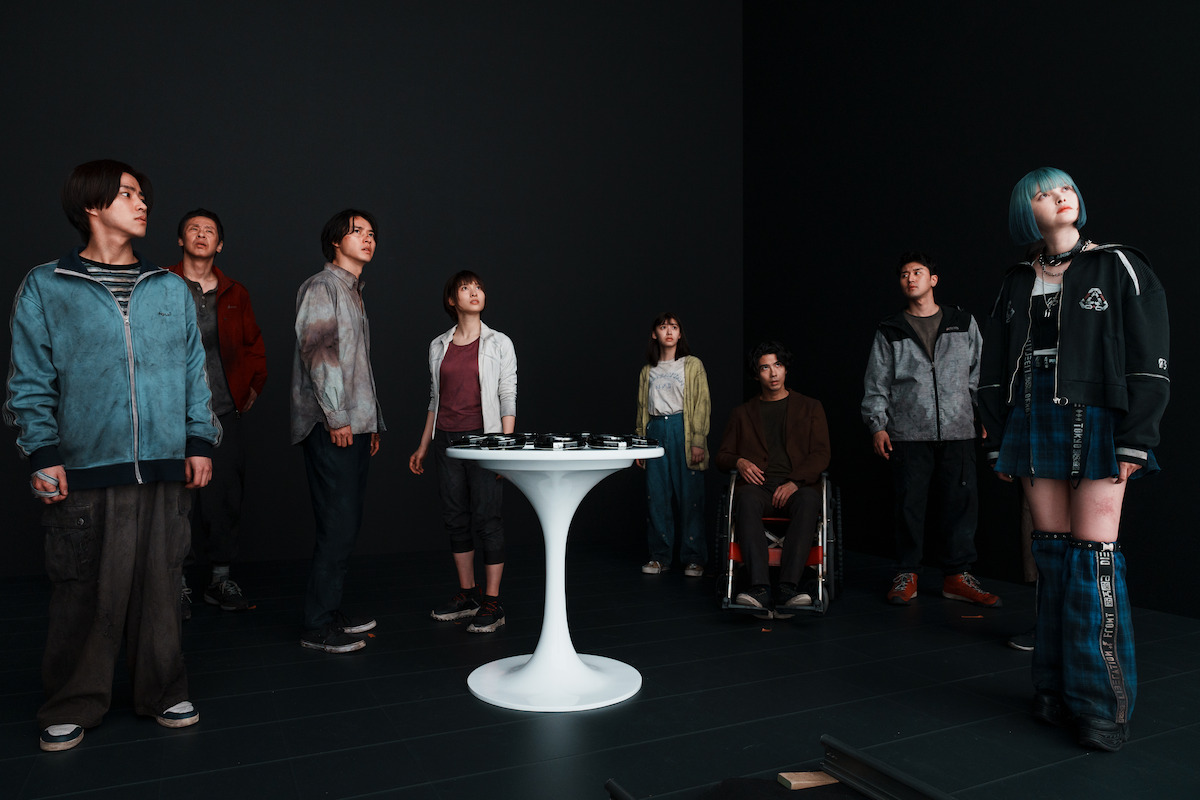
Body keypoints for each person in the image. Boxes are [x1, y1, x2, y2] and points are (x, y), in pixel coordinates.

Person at [5, 159, 220, 751]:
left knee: (162, 585)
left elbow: (193, 374)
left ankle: (162, 690)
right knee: (81, 590)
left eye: (143, 194)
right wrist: (42, 454)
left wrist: (199, 440)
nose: (143, 203)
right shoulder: (47, 285)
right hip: (82, 466)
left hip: (163, 464)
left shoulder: (171, 288)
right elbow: (29, 381)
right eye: (128, 194)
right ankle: (72, 701)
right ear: (92, 206)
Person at [979, 167, 1170, 752]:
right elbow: (994, 367)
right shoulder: (1015, 280)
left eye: (1066, 187)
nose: (1060, 195)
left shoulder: (1120, 265)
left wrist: (1138, 437)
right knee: (1054, 558)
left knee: (1094, 562)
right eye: (1043, 192)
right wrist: (1000, 433)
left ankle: (1101, 707)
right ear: (1024, 211)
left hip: (1100, 419)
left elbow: (1149, 357)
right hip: (1034, 418)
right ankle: (1053, 690)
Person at [861, 252, 1000, 608]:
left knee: (961, 504)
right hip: (908, 432)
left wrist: (982, 415)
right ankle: (908, 572)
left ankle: (957, 577)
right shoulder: (890, 329)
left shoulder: (962, 321)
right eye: (904, 274)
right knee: (910, 505)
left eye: (918, 272)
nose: (910, 278)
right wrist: (878, 425)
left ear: (933, 280)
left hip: (958, 428)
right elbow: (877, 382)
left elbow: (979, 373)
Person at [291, 209, 385, 653]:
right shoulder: (322, 286)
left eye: (371, 234)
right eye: (357, 232)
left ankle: (329, 610)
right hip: (333, 424)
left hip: (354, 424)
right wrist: (339, 416)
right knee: (337, 523)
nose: (367, 239)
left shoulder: (353, 291)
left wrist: (371, 421)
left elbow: (358, 368)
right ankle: (316, 625)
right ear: (335, 241)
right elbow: (318, 354)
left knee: (346, 524)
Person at [168, 209, 267, 616]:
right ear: (181, 240)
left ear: (219, 244)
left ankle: (219, 580)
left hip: (222, 412)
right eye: (193, 229)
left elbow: (254, 346)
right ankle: (174, 584)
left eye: (210, 231)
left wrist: (250, 388)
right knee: (175, 498)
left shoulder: (235, 293)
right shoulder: (160, 284)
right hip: (170, 413)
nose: (202, 235)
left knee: (223, 497)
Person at [409, 272, 517, 634]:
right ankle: (467, 594)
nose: (474, 292)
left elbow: (507, 395)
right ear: (451, 299)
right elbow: (433, 399)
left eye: (479, 287)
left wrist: (505, 444)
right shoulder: (438, 345)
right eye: (465, 288)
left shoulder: (500, 342)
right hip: (446, 441)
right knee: (455, 517)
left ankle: (492, 601)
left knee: (488, 519)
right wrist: (424, 445)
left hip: (485, 440)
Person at [716, 341, 829, 617]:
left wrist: (795, 482)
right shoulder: (742, 414)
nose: (773, 373)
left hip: (797, 484)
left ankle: (789, 587)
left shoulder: (811, 407)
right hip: (759, 486)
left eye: (777, 365)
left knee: (809, 500)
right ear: (757, 375)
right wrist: (739, 461)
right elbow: (722, 456)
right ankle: (759, 588)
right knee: (743, 497)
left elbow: (821, 454)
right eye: (765, 368)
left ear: (785, 368)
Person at [634, 313, 711, 576]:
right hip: (656, 429)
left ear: (680, 334)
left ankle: (694, 558)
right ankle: (659, 556)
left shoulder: (692, 365)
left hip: (683, 429)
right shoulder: (648, 370)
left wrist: (698, 440)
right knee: (656, 496)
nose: (669, 331)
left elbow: (702, 404)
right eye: (663, 326)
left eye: (674, 327)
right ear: (654, 334)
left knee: (690, 497)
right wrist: (640, 445)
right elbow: (642, 410)